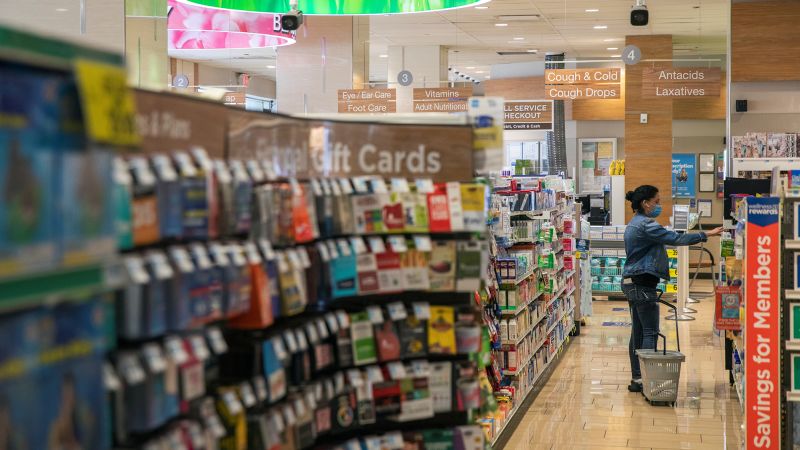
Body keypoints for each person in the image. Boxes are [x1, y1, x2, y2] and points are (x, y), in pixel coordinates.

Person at [622, 185, 722, 393]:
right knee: (650, 331)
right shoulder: (646, 225)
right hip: (643, 283)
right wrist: (706, 234)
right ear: (645, 203)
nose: (659, 206)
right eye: (656, 202)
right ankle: (648, 380)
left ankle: (638, 378)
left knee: (638, 332)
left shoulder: (634, 223)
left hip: (633, 281)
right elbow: (676, 239)